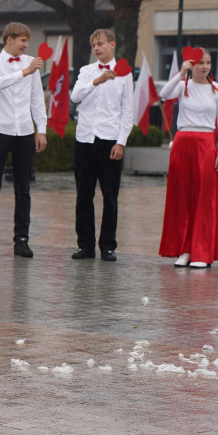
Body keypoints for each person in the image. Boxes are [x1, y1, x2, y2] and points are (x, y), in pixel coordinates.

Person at [0, 22, 47, 259]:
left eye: (27, 41)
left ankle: (22, 240)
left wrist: (42, 129)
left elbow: (37, 98)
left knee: (23, 188)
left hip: (25, 131)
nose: (26, 45)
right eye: (23, 41)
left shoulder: (30, 63)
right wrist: (24, 72)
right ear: (9, 39)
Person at [158, 47, 218, 269]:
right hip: (182, 144)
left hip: (206, 144)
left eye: (208, 62)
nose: (205, 66)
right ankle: (185, 250)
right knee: (182, 199)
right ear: (191, 64)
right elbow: (163, 95)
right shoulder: (182, 86)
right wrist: (181, 73)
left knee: (204, 199)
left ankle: (202, 251)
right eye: (200, 62)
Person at [69, 29, 133, 262]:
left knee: (110, 196)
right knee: (83, 196)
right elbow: (75, 97)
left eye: (101, 44)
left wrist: (121, 142)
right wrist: (96, 81)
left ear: (112, 44)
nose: (97, 48)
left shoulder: (125, 74)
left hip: (109, 141)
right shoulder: (87, 71)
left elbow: (127, 111)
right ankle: (85, 245)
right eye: (94, 45)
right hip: (85, 139)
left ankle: (107, 245)